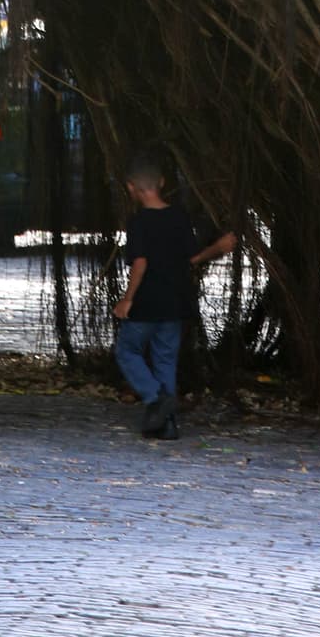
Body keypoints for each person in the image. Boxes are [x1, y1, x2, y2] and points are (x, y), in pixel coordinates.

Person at [112, 154, 234, 438]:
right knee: (165, 360)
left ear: (131, 187)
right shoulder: (179, 217)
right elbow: (192, 258)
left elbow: (140, 262)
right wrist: (218, 247)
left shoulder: (138, 221)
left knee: (127, 351)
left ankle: (156, 398)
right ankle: (167, 426)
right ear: (163, 183)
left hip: (147, 300)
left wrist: (128, 298)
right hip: (176, 300)